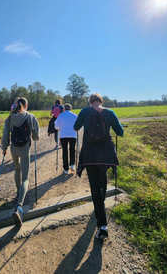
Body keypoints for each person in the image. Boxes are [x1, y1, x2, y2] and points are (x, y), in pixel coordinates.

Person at [74, 93, 123, 240]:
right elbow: (120, 132)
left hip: (89, 155)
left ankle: (102, 226)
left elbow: (76, 126)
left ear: (90, 102)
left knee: (95, 188)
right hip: (106, 156)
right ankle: (100, 210)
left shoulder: (85, 111)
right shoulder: (110, 113)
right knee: (102, 184)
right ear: (101, 101)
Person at [1, 97, 39, 226]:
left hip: (13, 148)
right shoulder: (30, 117)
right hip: (25, 149)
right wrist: (34, 135)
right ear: (25, 105)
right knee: (26, 177)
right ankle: (19, 207)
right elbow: (36, 136)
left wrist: (4, 147)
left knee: (17, 170)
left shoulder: (10, 118)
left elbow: (5, 134)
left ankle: (19, 192)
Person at [55, 103, 77, 174]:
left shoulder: (61, 115)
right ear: (71, 108)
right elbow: (78, 125)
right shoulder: (75, 115)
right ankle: (72, 165)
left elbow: (56, 126)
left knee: (65, 151)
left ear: (64, 108)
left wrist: (60, 128)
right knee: (72, 150)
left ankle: (66, 169)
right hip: (73, 135)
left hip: (63, 135)